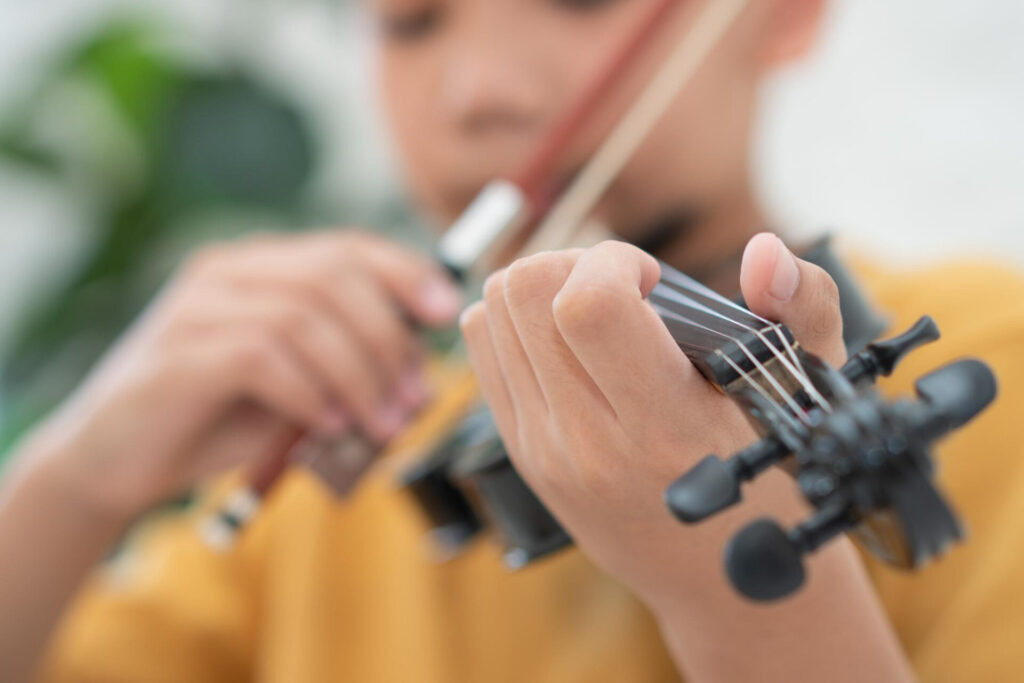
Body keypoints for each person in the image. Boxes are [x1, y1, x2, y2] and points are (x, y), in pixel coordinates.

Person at [3, 0, 1020, 680]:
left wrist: (727, 586)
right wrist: (72, 480)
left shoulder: (998, 358)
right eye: (410, 22)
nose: (478, 89)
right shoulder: (359, 452)